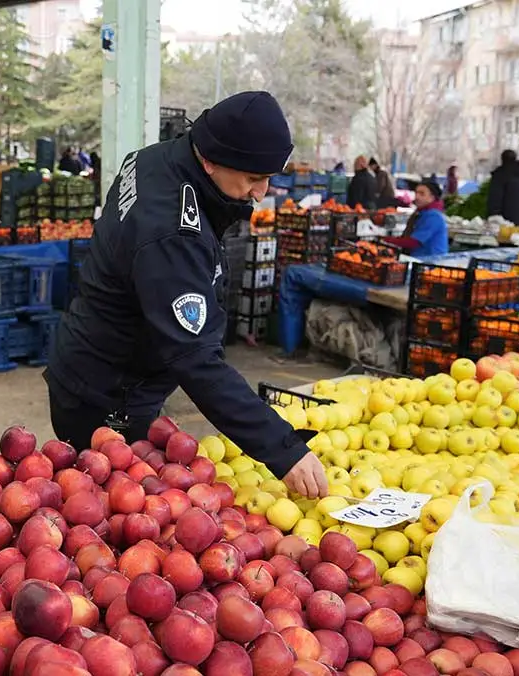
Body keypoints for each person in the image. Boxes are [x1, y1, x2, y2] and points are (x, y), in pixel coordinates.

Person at [45, 91, 328, 499]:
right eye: (252, 178)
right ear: (210, 160)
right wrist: (283, 449)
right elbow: (196, 360)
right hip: (106, 392)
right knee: (108, 516)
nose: (261, 193)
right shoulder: (171, 233)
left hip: (100, 358)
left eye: (269, 178)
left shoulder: (155, 158)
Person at [383, 181, 449, 257]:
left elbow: (414, 241)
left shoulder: (433, 216)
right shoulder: (421, 212)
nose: (417, 197)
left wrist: (387, 240)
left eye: (422, 194)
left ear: (432, 197)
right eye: (416, 193)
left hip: (430, 261)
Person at [487, 149, 519, 227]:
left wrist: (493, 216)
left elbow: (495, 198)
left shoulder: (500, 175)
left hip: (504, 223)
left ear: (502, 159)